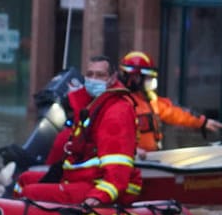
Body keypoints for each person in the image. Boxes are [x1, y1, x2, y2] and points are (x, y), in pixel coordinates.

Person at [16, 55, 141, 207]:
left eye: (100, 75)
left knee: (31, 192)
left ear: (112, 78)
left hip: (99, 184)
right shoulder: (89, 105)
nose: (94, 79)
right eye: (90, 74)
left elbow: (117, 166)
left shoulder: (116, 111)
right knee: (24, 180)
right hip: (81, 177)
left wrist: (100, 196)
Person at [117, 50, 222, 155]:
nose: (151, 81)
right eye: (148, 77)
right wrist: (132, 150)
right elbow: (116, 136)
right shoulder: (122, 104)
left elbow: (175, 114)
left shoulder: (150, 100)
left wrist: (202, 122)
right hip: (133, 161)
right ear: (135, 78)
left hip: (150, 157)